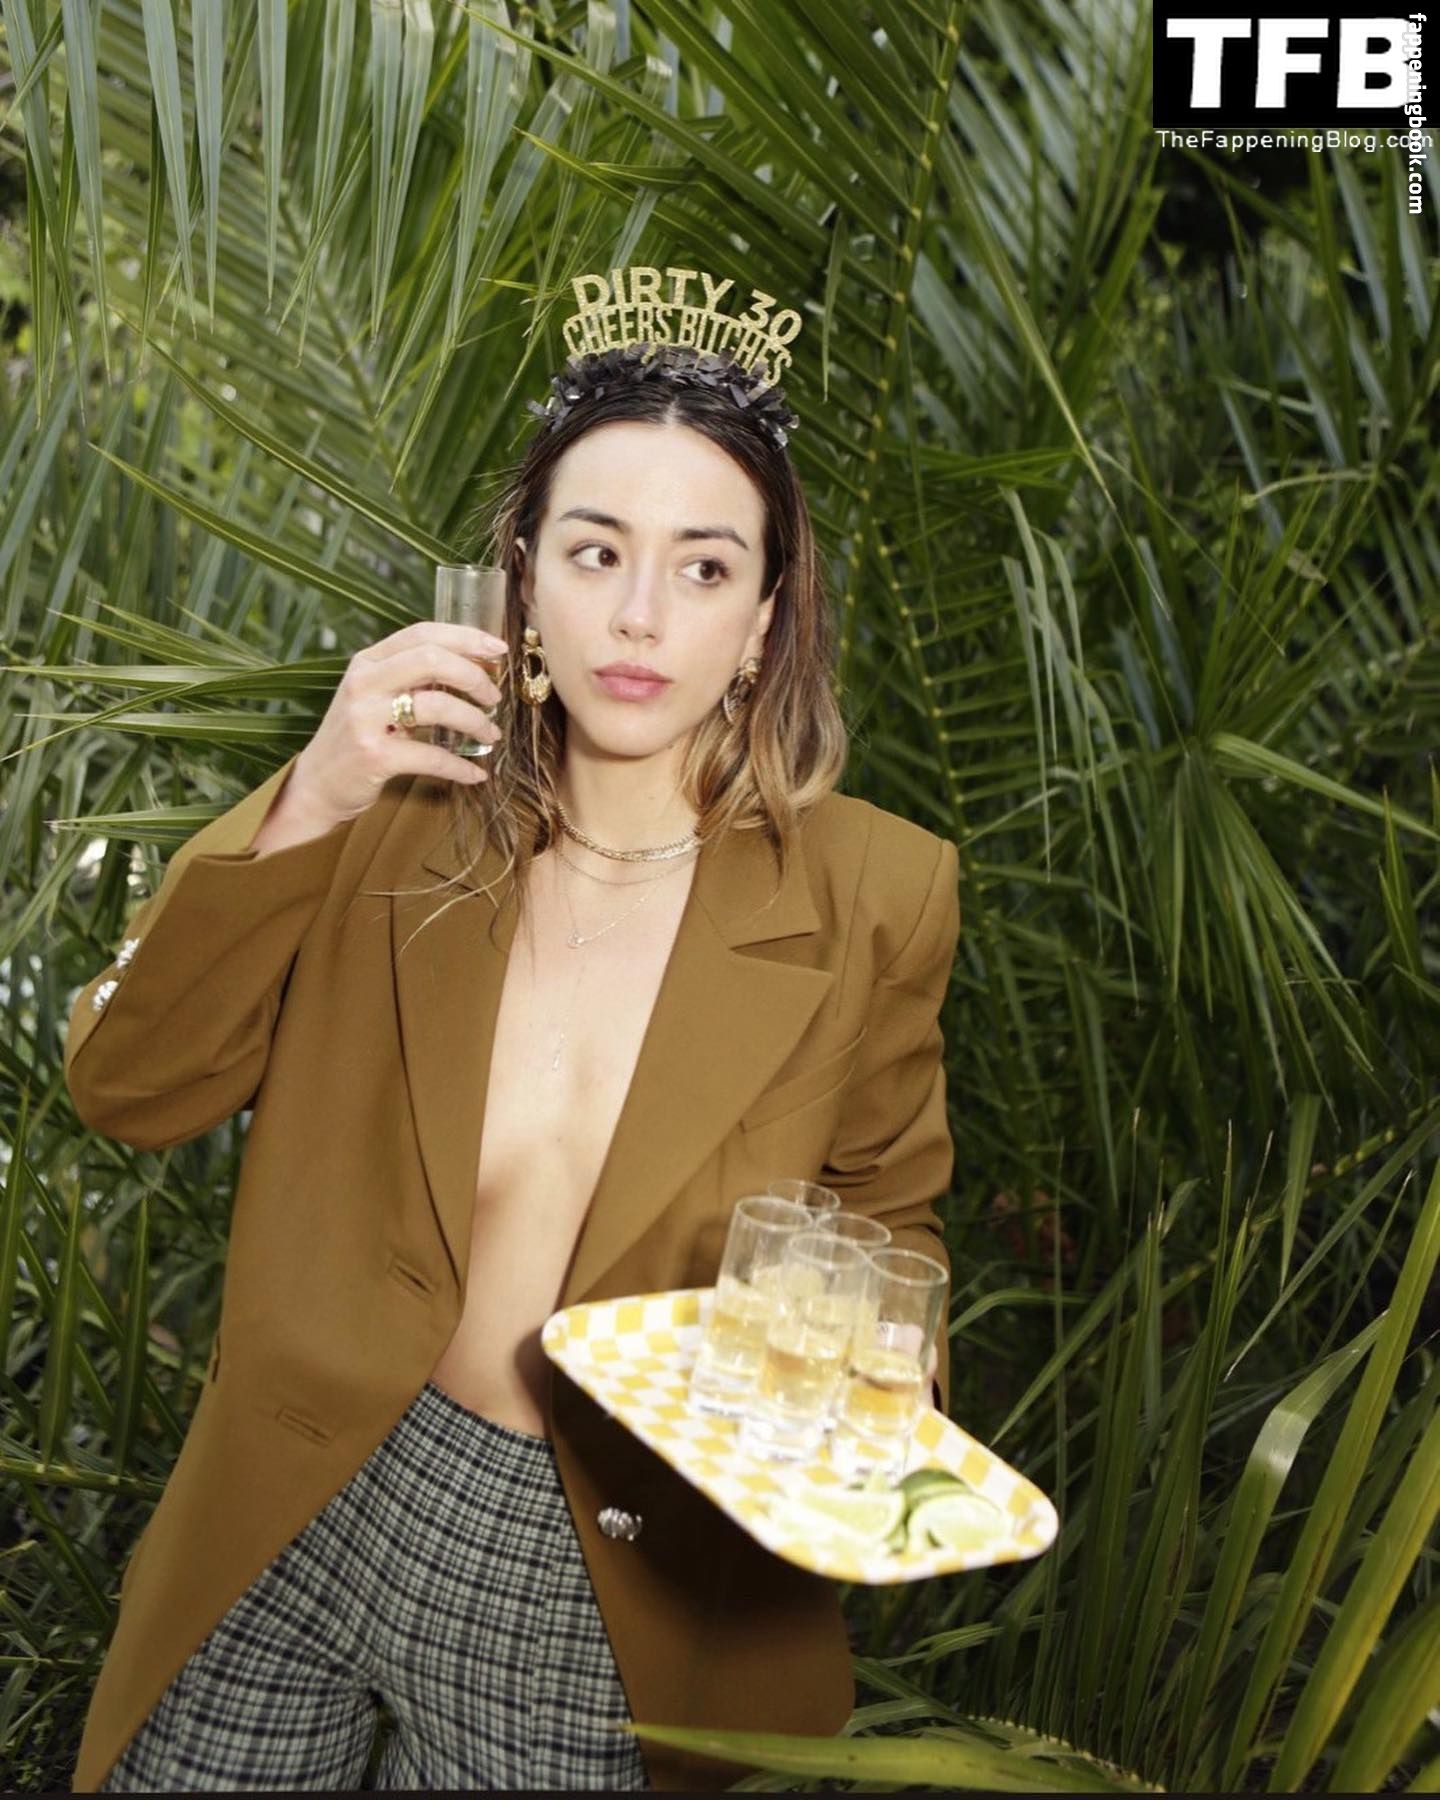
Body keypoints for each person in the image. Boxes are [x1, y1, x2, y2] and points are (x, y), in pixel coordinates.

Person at [67, 267, 960, 1792]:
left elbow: (887, 1209)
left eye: (703, 568)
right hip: (297, 1479)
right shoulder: (389, 808)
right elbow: (130, 1084)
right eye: (597, 551)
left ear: (763, 621)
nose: (639, 615)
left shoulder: (877, 892)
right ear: (526, 578)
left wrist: (883, 1365)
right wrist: (314, 792)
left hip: (594, 1561)